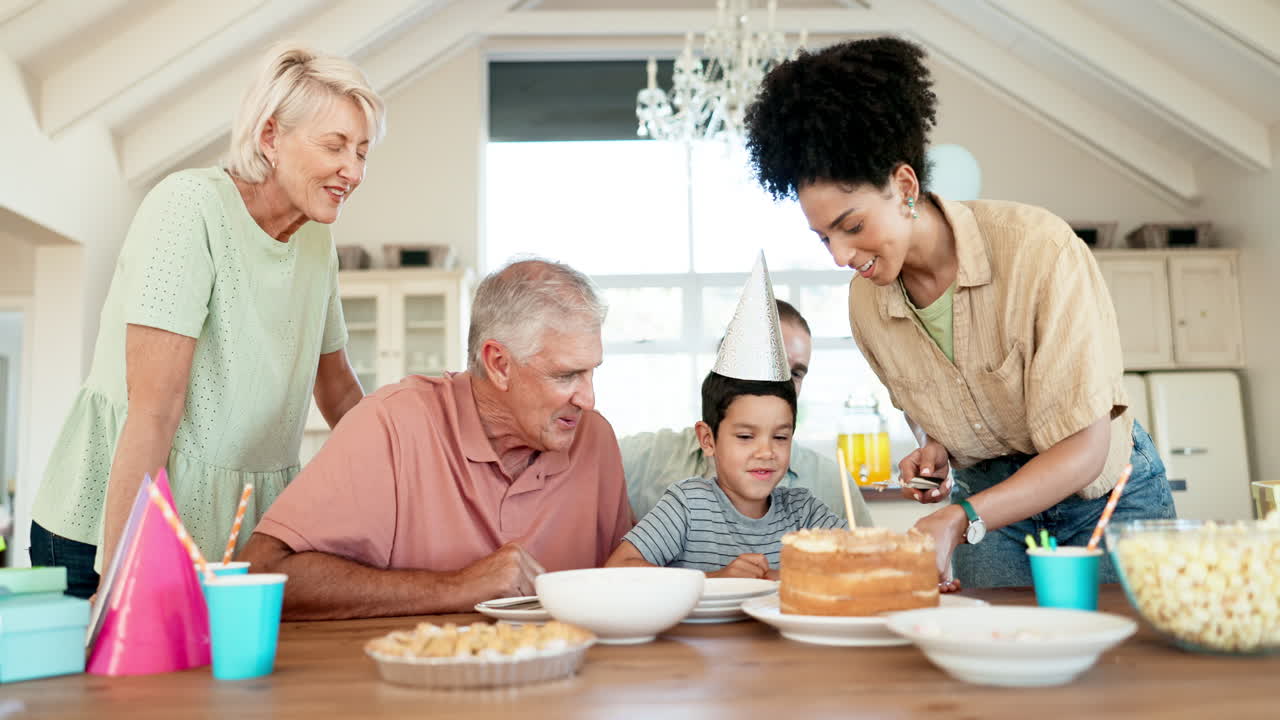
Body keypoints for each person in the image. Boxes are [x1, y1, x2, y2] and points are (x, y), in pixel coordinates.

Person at [742, 37, 1176, 589]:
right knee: (992, 654)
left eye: (851, 227)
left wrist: (961, 515)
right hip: (991, 509)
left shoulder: (1039, 250)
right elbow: (929, 407)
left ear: (904, 186)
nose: (841, 256)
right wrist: (933, 452)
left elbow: (1085, 448)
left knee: (1123, 667)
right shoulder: (866, 303)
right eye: (824, 236)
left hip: (1103, 495)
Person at [28, 44, 387, 598]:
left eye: (362, 151)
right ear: (270, 137)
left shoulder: (317, 239)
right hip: (111, 530)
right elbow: (154, 410)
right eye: (335, 146)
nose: (354, 170)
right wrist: (123, 574)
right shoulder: (188, 208)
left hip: (234, 535)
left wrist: (401, 476)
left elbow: (338, 389)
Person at [240, 259, 634, 620]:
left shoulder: (594, 440)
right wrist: (458, 586)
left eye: (591, 372)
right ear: (499, 364)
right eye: (566, 376)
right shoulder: (391, 424)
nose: (588, 398)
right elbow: (264, 573)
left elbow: (628, 578)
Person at [608, 259, 846, 579]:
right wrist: (716, 580)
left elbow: (868, 560)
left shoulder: (804, 510)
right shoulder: (688, 504)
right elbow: (618, 570)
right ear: (708, 439)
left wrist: (784, 577)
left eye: (780, 437)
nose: (766, 452)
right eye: (746, 437)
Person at [620, 300, 873, 527]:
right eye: (770, 363)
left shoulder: (830, 484)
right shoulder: (649, 463)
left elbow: (869, 568)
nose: (781, 383)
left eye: (795, 374)